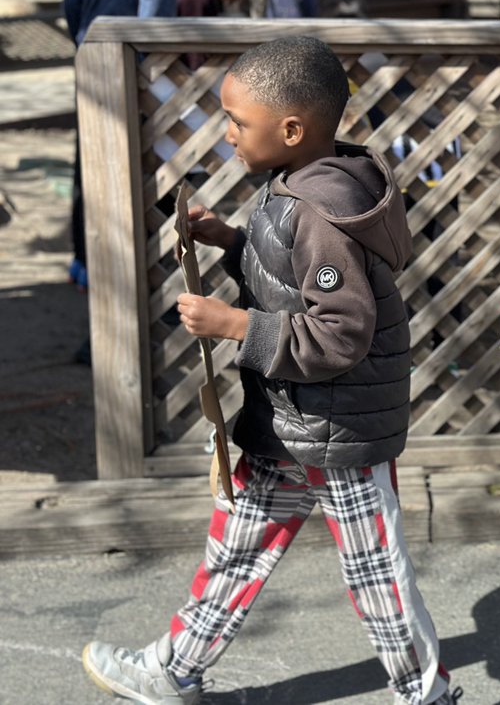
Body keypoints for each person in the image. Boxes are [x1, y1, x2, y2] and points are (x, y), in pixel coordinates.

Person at [81, 37, 457, 705]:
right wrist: (233, 240)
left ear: (291, 130)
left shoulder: (319, 213)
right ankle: (174, 670)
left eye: (237, 122)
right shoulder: (298, 188)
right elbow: (289, 284)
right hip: (288, 422)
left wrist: (234, 325)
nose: (226, 134)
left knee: (376, 574)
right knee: (237, 549)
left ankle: (427, 695)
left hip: (337, 432)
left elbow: (340, 333)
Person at [63, 0, 186, 297]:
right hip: (134, 62)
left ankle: (88, 274)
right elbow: (156, 7)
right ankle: (144, 290)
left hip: (91, 56)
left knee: (91, 169)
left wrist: (86, 45)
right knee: (140, 179)